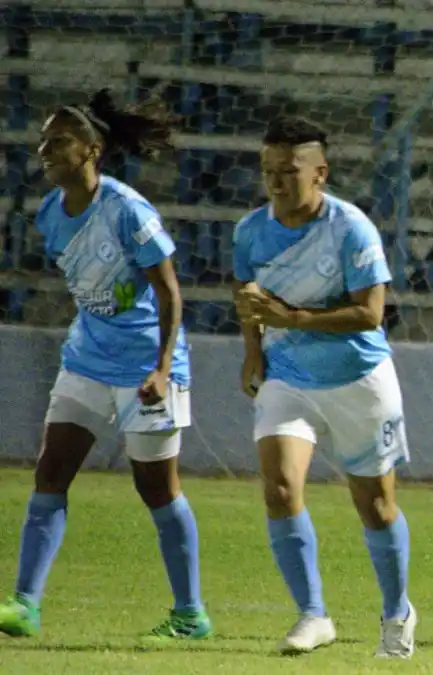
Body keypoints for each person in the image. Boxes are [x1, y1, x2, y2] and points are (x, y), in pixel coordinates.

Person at [0, 89, 210, 639]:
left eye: (59, 141)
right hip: (88, 361)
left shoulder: (127, 210)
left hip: (146, 368)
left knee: (156, 489)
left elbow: (169, 293)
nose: (45, 150)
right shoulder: (51, 213)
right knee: (51, 471)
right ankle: (24, 604)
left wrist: (161, 369)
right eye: (43, 140)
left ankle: (190, 614)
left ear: (91, 150)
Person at [231, 115, 416, 658]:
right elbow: (247, 296)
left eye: (289, 170)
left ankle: (397, 612)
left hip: (358, 380)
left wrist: (292, 318)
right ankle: (313, 614)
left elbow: (370, 313)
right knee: (279, 488)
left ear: (320, 173)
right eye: (268, 170)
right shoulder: (249, 232)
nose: (276, 181)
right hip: (288, 378)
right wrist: (252, 351)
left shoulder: (351, 228)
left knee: (375, 506)